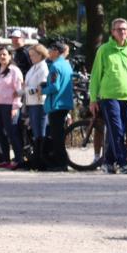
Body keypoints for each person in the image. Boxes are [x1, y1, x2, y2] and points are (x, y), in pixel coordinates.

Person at [89, 18, 127, 174]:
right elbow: (96, 75)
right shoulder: (104, 50)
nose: (122, 32)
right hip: (109, 96)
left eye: (125, 29)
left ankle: (108, 162)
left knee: (118, 132)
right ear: (112, 32)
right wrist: (93, 98)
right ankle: (123, 163)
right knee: (117, 130)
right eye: (119, 29)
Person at [0, 46, 25, 169]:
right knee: (0, 133)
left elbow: (19, 90)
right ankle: (6, 159)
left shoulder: (14, 71)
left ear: (10, 56)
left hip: (9, 106)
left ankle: (19, 159)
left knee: (12, 132)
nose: (2, 57)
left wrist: (15, 107)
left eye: (4, 54)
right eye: (0, 55)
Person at [41, 42, 73, 172]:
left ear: (56, 51)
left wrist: (42, 91)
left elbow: (55, 86)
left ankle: (61, 163)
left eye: (50, 50)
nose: (49, 52)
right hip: (65, 103)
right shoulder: (66, 64)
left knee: (57, 136)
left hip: (57, 104)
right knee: (59, 134)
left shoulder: (55, 66)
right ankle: (61, 161)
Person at [23, 43, 50, 168]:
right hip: (32, 103)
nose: (31, 58)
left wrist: (27, 89)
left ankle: (41, 160)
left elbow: (40, 88)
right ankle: (37, 159)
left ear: (40, 55)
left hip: (39, 103)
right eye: (30, 55)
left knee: (40, 131)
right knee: (35, 132)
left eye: (33, 55)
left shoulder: (43, 68)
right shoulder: (33, 67)